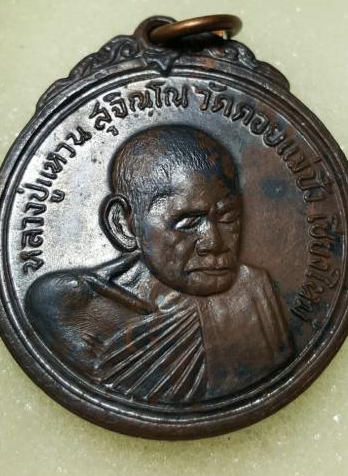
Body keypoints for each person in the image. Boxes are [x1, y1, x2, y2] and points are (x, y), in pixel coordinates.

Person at [25, 125, 294, 403]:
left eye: (228, 217)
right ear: (123, 225)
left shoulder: (252, 292)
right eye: (188, 222)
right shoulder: (71, 304)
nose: (214, 242)